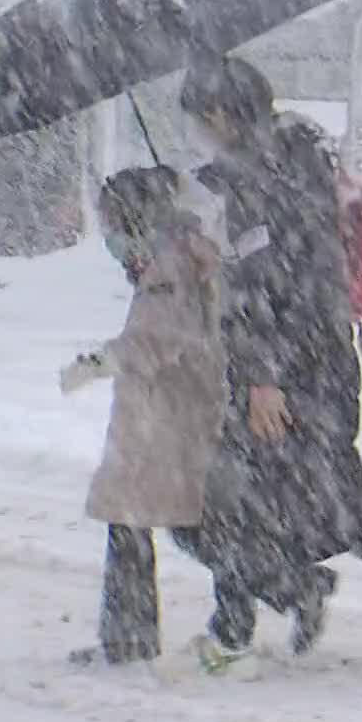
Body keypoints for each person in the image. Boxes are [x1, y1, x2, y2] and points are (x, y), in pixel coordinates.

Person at [178, 55, 362, 671]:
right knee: (315, 499)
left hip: (290, 371)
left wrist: (263, 377)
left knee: (241, 495)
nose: (196, 132)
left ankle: (237, 635)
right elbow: (284, 274)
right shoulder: (291, 161)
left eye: (198, 119)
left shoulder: (259, 177)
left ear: (218, 114)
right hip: (317, 362)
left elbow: (264, 285)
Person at [59, 165, 228, 666]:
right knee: (183, 524)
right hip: (169, 410)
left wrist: (98, 363)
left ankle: (129, 640)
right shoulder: (171, 254)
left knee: (134, 519)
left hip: (166, 413)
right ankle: (289, 585)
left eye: (111, 221)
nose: (108, 234)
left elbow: (157, 338)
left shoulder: (168, 263)